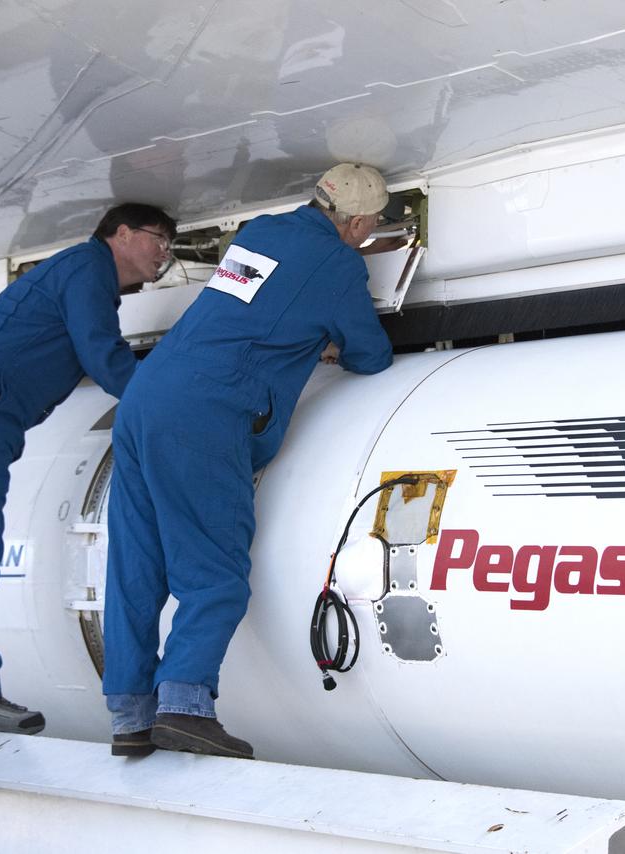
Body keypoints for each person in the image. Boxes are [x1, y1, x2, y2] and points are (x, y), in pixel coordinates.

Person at [102, 164, 394, 759]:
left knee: (137, 567)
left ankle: (130, 718)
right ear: (359, 221)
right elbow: (372, 354)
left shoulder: (260, 230)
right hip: (203, 412)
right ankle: (184, 706)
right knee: (215, 573)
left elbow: (254, 306)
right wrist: (328, 341)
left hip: (144, 398)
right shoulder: (340, 265)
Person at [0, 203, 177, 738]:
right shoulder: (87, 269)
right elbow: (103, 356)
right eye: (158, 238)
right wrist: (170, 403)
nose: (165, 252)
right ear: (121, 233)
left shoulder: (82, 274)